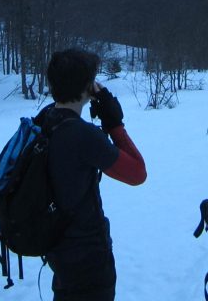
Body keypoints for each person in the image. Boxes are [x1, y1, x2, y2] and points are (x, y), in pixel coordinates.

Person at [39, 49, 147, 301]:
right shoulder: (81, 135)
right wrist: (115, 125)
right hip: (89, 259)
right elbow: (137, 174)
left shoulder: (45, 119)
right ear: (88, 86)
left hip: (59, 253)